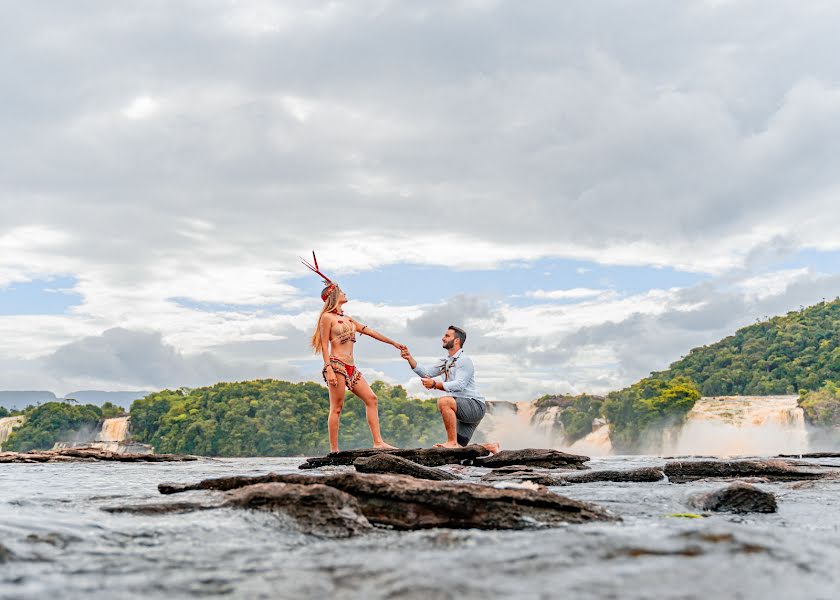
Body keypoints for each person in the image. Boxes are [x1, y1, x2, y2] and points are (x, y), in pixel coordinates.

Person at [303, 253, 401, 453]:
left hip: (351, 367)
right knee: (337, 408)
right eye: (342, 292)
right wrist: (328, 369)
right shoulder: (327, 318)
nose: (346, 294)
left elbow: (370, 331)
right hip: (337, 365)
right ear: (334, 296)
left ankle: (378, 442)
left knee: (372, 399)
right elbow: (323, 344)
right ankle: (334, 450)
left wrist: (394, 343)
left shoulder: (348, 319)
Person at [401, 326, 498, 451]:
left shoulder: (464, 360)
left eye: (447, 336)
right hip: (462, 408)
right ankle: (490, 446)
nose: (443, 338)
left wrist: (436, 385)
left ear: (456, 340)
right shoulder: (445, 361)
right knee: (458, 451)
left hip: (474, 406)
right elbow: (426, 373)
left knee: (444, 401)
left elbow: (459, 385)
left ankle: (451, 442)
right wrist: (409, 358)